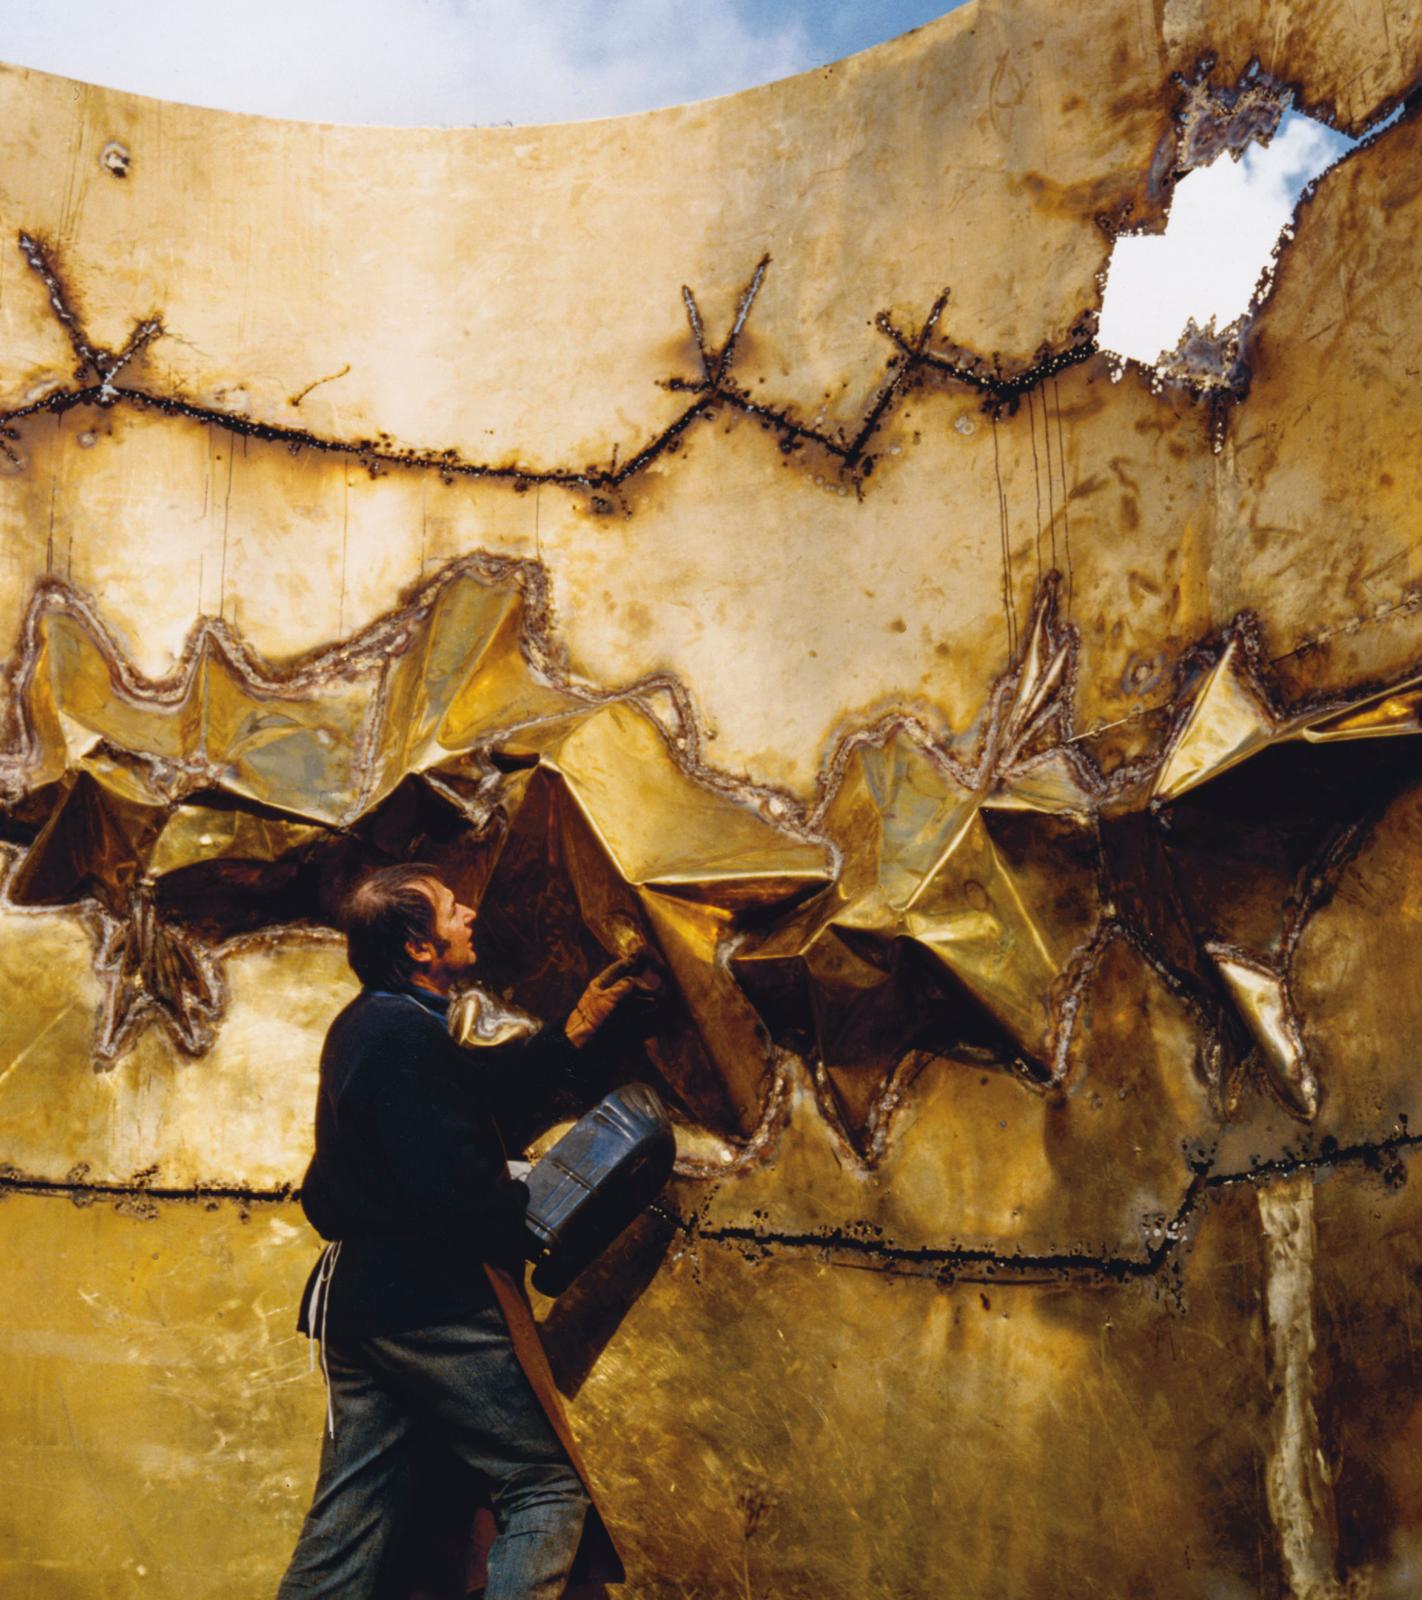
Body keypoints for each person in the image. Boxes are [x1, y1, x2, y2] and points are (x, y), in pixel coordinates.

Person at [277, 861, 642, 1599]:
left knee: (347, 1523)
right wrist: (522, 1212)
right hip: (428, 1305)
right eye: (451, 909)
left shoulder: (375, 1023)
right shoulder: (403, 1039)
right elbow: (451, 1188)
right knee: (543, 1488)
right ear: (419, 947)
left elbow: (469, 1100)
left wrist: (574, 1032)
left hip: (364, 1306)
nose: (469, 914)